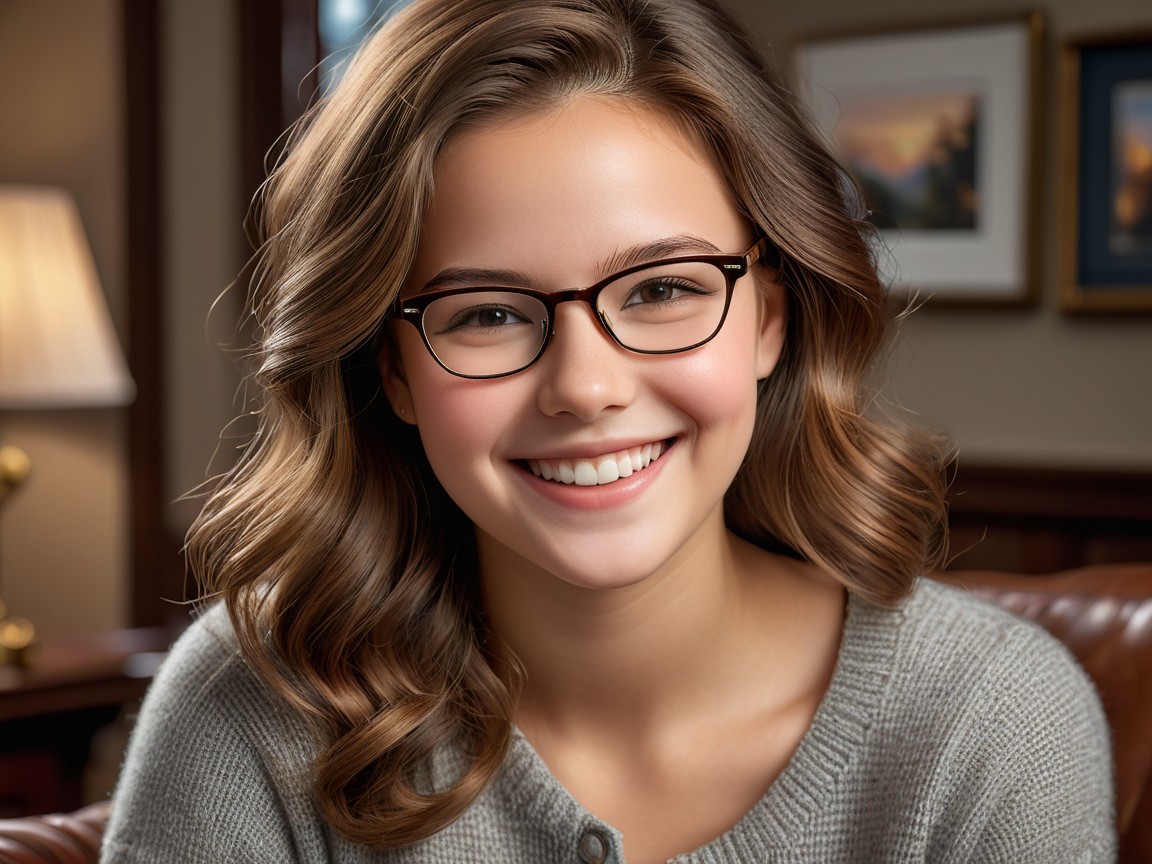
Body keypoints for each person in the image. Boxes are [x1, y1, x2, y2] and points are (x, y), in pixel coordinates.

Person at [101, 0, 1115, 861]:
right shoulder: (247, 706)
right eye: (488, 313)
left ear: (768, 316)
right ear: (393, 371)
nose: (586, 387)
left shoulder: (996, 728)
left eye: (664, 289)